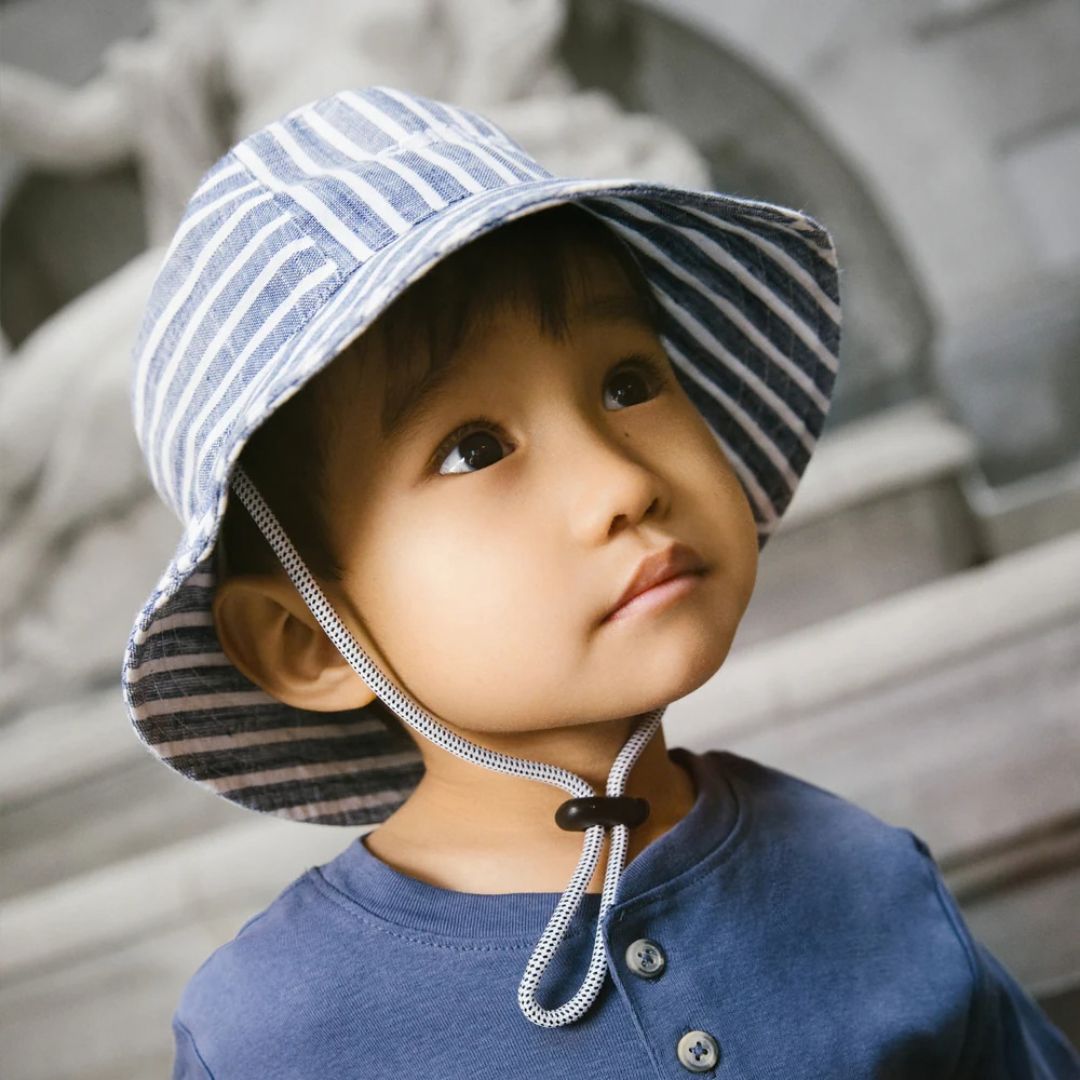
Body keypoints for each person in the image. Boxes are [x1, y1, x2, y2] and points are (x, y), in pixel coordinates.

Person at [121, 86, 1079, 1078]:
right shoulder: (280, 1037)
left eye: (628, 382)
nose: (624, 481)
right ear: (309, 640)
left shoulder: (861, 873)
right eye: (475, 448)